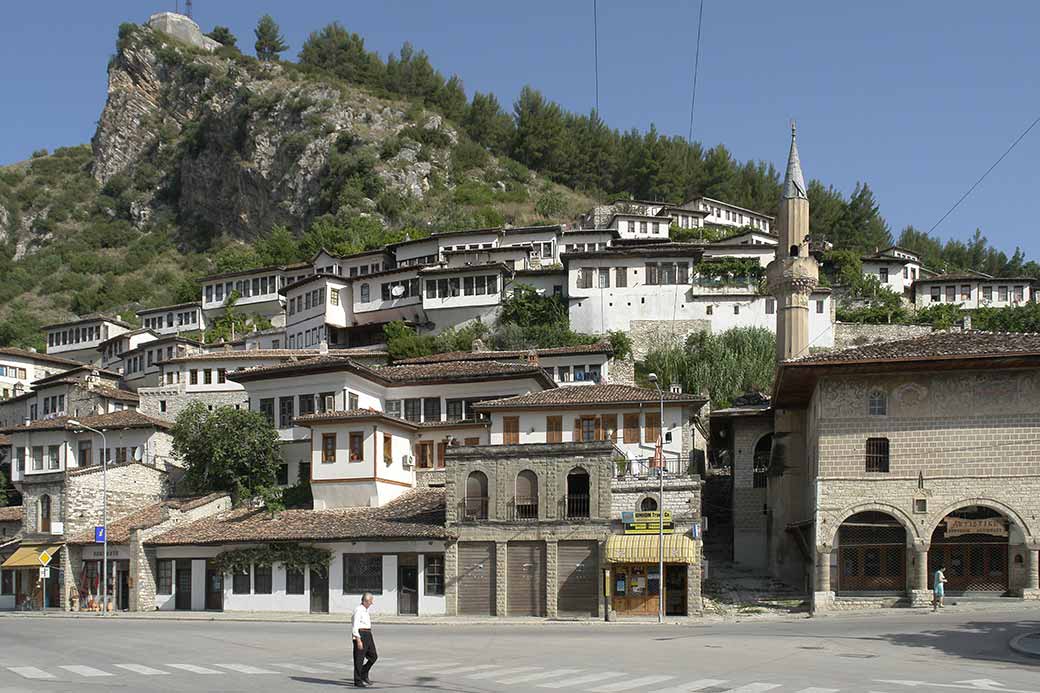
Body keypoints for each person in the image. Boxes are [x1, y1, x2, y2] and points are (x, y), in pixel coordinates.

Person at [352, 592, 378, 687]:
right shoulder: (358, 610)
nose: (372, 603)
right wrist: (358, 640)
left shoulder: (365, 610)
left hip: (368, 634)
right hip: (361, 634)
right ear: (366, 601)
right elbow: (355, 626)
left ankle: (364, 672)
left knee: (373, 656)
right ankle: (357, 680)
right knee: (359, 658)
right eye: (371, 601)